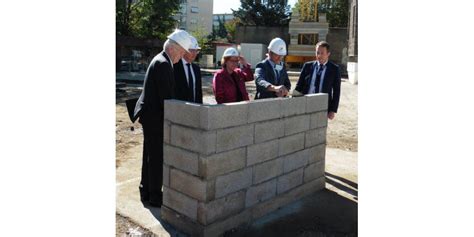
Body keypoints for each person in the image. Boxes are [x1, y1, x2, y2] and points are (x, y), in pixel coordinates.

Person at [131, 29, 192, 207]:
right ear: (173, 48)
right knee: (156, 158)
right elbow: (167, 98)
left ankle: (147, 191)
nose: (181, 57)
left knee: (150, 156)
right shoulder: (164, 63)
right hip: (155, 118)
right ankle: (155, 196)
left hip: (151, 116)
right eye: (181, 52)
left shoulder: (162, 59)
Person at [294, 41, 341, 120]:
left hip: (323, 106)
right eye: (317, 52)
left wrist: (332, 110)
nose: (319, 56)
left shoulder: (334, 69)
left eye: (322, 53)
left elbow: (336, 91)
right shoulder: (307, 66)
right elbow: (299, 85)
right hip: (306, 103)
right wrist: (294, 101)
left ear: (328, 54)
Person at [173, 36, 203, 103]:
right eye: (192, 50)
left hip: (195, 109)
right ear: (184, 50)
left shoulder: (196, 69)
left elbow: (198, 93)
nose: (194, 53)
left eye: (196, 50)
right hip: (179, 109)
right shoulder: (174, 66)